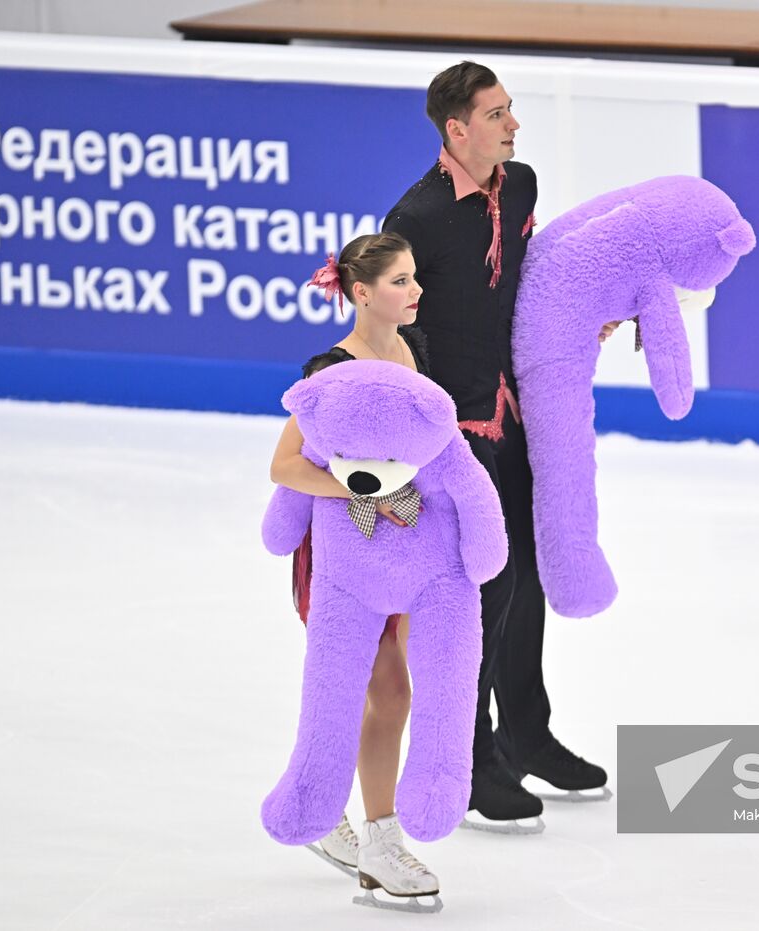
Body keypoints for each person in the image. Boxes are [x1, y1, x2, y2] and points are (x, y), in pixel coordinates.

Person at [382, 61, 610, 832]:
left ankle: (526, 732)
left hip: (514, 414)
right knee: (484, 589)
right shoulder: (414, 218)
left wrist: (589, 320)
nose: (514, 125)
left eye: (511, 110)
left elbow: (533, 279)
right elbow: (393, 330)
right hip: (454, 434)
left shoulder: (522, 187)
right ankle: (473, 757)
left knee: (531, 574)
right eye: (498, 114)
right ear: (457, 129)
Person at [268, 231, 440, 906]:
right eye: (401, 281)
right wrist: (367, 490)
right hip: (342, 557)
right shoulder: (329, 369)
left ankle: (338, 816)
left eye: (414, 277)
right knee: (386, 690)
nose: (416, 290)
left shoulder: (412, 349)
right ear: (361, 292)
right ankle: (379, 840)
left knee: (384, 691)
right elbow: (286, 466)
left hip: (398, 551)